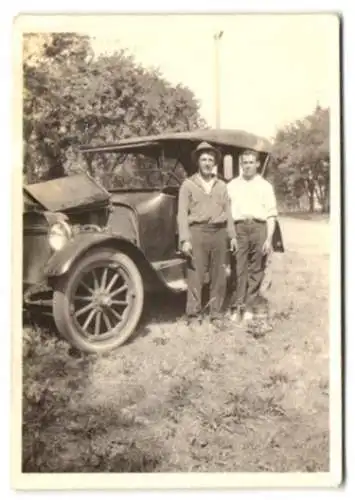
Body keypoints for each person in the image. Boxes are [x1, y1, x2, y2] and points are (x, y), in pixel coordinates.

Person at [177, 142, 238, 327]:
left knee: (219, 276)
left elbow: (228, 212)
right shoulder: (188, 185)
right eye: (203, 159)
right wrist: (185, 239)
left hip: (219, 233)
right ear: (198, 162)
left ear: (215, 163)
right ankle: (194, 315)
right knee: (196, 275)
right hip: (197, 232)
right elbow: (181, 214)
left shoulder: (222, 186)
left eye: (210, 159)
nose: (207, 163)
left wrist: (232, 235)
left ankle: (216, 314)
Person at [227, 149, 278, 325]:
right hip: (239, 228)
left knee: (256, 269)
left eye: (251, 163)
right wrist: (231, 234)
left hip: (259, 227)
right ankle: (238, 306)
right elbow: (228, 214)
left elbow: (271, 215)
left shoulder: (265, 186)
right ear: (241, 164)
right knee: (238, 268)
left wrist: (268, 239)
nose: (248, 166)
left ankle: (249, 307)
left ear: (257, 164)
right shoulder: (232, 185)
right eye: (245, 163)